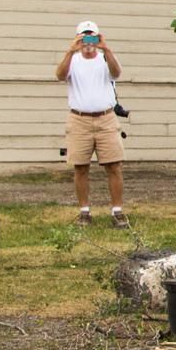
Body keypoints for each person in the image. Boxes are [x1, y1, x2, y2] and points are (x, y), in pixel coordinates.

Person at [56, 20, 128, 228]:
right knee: (80, 167)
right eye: (83, 37)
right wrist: (70, 51)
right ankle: (84, 211)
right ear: (77, 38)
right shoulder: (73, 60)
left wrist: (107, 48)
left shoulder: (105, 58)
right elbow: (60, 76)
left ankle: (117, 211)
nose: (88, 42)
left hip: (106, 117)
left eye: (92, 37)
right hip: (79, 118)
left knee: (114, 165)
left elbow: (116, 73)